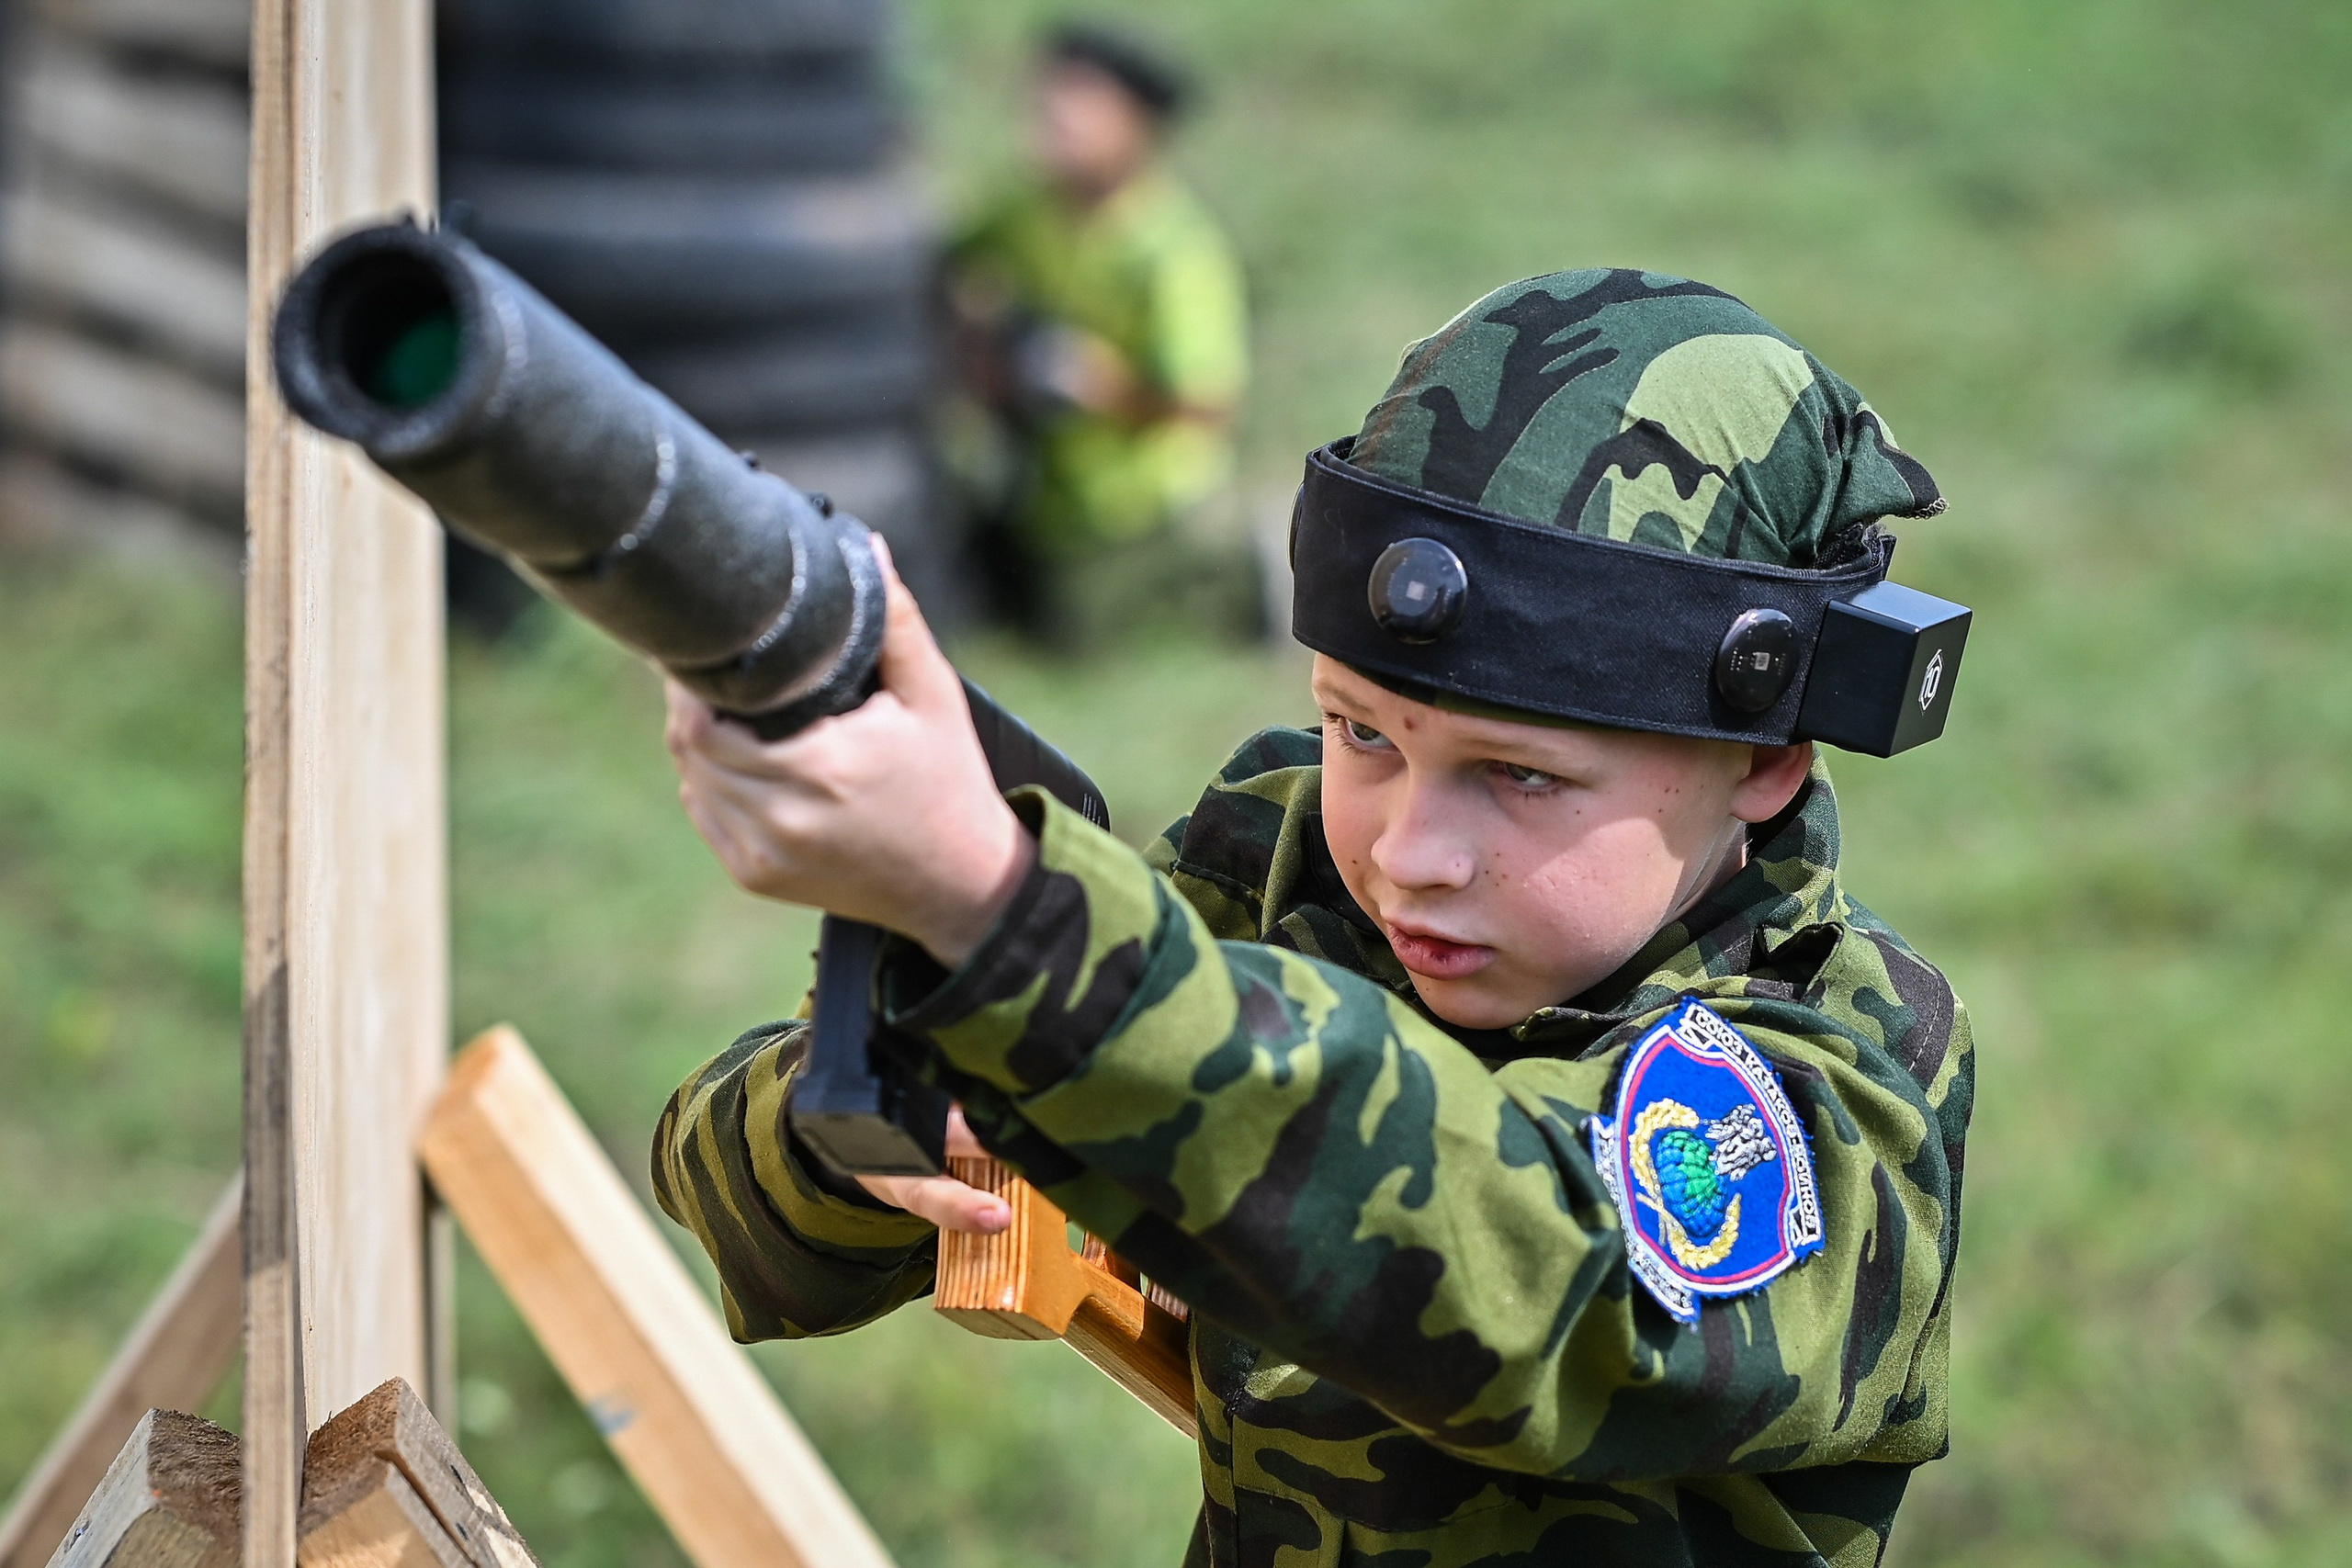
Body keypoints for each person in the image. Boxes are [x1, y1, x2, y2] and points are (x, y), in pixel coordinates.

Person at [652, 270, 1973, 1565]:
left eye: (1520, 773)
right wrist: (859, 1120)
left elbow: (1531, 1279)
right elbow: (728, 1197)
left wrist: (1011, 917)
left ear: (1765, 759)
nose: (1410, 852)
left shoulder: (1836, 1063)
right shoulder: (1285, 873)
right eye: (1363, 730)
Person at [944, 23, 1252, 649]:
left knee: (1068, 636)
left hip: (1132, 507)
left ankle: (1225, 574)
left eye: (1082, 101)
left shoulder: (1173, 250)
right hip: (1040, 489)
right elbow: (944, 271)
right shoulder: (1025, 213)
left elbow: (1208, 403)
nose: (1054, 114)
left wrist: (1102, 387)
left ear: (1136, 124)